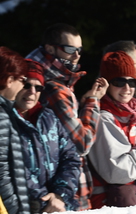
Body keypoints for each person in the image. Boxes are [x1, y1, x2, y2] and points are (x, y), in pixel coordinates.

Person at [26, 24, 108, 209]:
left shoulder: (44, 79)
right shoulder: (53, 88)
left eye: (79, 49)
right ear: (50, 48)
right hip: (60, 197)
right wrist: (93, 102)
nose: (77, 55)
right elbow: (81, 143)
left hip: (56, 194)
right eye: (70, 49)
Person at [88, 51, 136, 208]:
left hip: (119, 200)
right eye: (119, 81)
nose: (127, 88)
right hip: (105, 203)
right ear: (106, 84)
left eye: (132, 82)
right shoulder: (104, 118)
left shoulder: (127, 115)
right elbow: (118, 173)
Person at [13, 59, 81, 212]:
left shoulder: (50, 118)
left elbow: (71, 158)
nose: (32, 92)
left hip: (60, 206)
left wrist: (59, 195)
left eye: (38, 87)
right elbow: (13, 169)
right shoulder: (6, 120)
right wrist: (45, 200)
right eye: (26, 85)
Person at [0, 47, 30, 214]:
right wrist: (17, 209)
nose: (23, 87)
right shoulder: (1, 115)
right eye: (23, 80)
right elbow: (2, 171)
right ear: (10, 79)